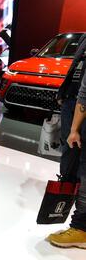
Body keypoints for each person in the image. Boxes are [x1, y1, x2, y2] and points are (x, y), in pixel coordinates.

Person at [48, 37, 86, 248]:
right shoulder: (84, 37)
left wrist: (74, 128)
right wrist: (64, 94)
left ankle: (81, 228)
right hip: (72, 104)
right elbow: (77, 68)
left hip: (81, 108)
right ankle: (72, 218)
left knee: (84, 169)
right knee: (70, 166)